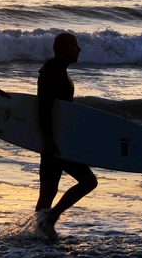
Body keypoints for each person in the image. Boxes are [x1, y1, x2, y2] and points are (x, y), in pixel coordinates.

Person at [35, 32, 96, 242]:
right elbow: (44, 107)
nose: (79, 50)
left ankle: (38, 237)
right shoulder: (52, 71)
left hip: (60, 140)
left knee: (47, 193)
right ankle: (48, 222)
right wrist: (49, 140)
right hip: (57, 143)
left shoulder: (59, 70)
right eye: (75, 46)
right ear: (63, 49)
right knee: (88, 181)